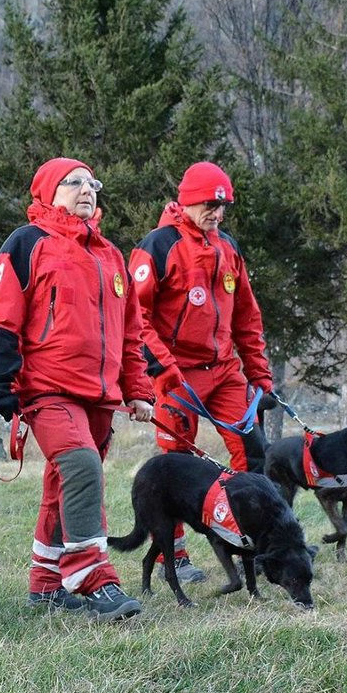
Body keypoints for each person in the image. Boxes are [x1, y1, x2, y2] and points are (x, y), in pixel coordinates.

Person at [0, 158, 155, 621]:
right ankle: (91, 576)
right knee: (80, 467)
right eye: (73, 182)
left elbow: (131, 332)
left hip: (99, 395)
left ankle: (45, 585)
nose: (86, 190)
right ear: (47, 193)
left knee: (63, 483)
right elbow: (1, 317)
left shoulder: (111, 255)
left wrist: (138, 389)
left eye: (92, 183)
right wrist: (0, 384)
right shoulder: (27, 243)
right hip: (47, 387)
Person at [130, 160, 277, 583]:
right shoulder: (158, 245)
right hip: (177, 374)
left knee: (252, 454)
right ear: (187, 201)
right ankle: (171, 556)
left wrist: (260, 375)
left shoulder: (228, 247)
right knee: (177, 464)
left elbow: (248, 315)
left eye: (223, 206)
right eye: (210, 205)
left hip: (226, 370)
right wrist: (163, 368)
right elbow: (135, 317)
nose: (218, 213)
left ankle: (257, 542)